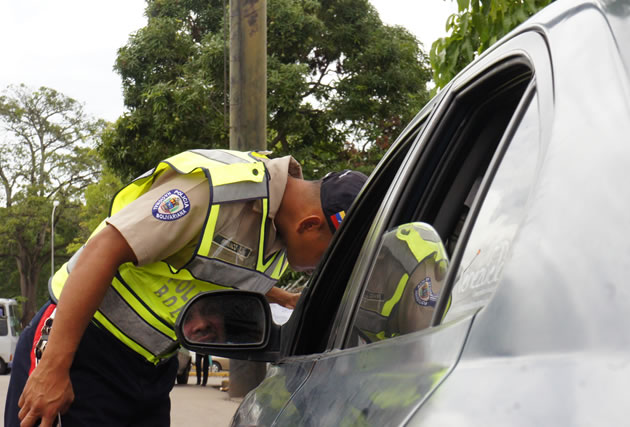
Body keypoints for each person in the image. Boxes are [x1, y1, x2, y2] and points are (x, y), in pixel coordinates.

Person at [5, 149, 367, 427]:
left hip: (151, 370)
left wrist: (283, 298)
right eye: (327, 257)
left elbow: (209, 266)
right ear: (310, 224)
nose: (320, 267)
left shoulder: (275, 229)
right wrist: (54, 369)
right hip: (82, 352)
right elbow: (103, 249)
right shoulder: (216, 192)